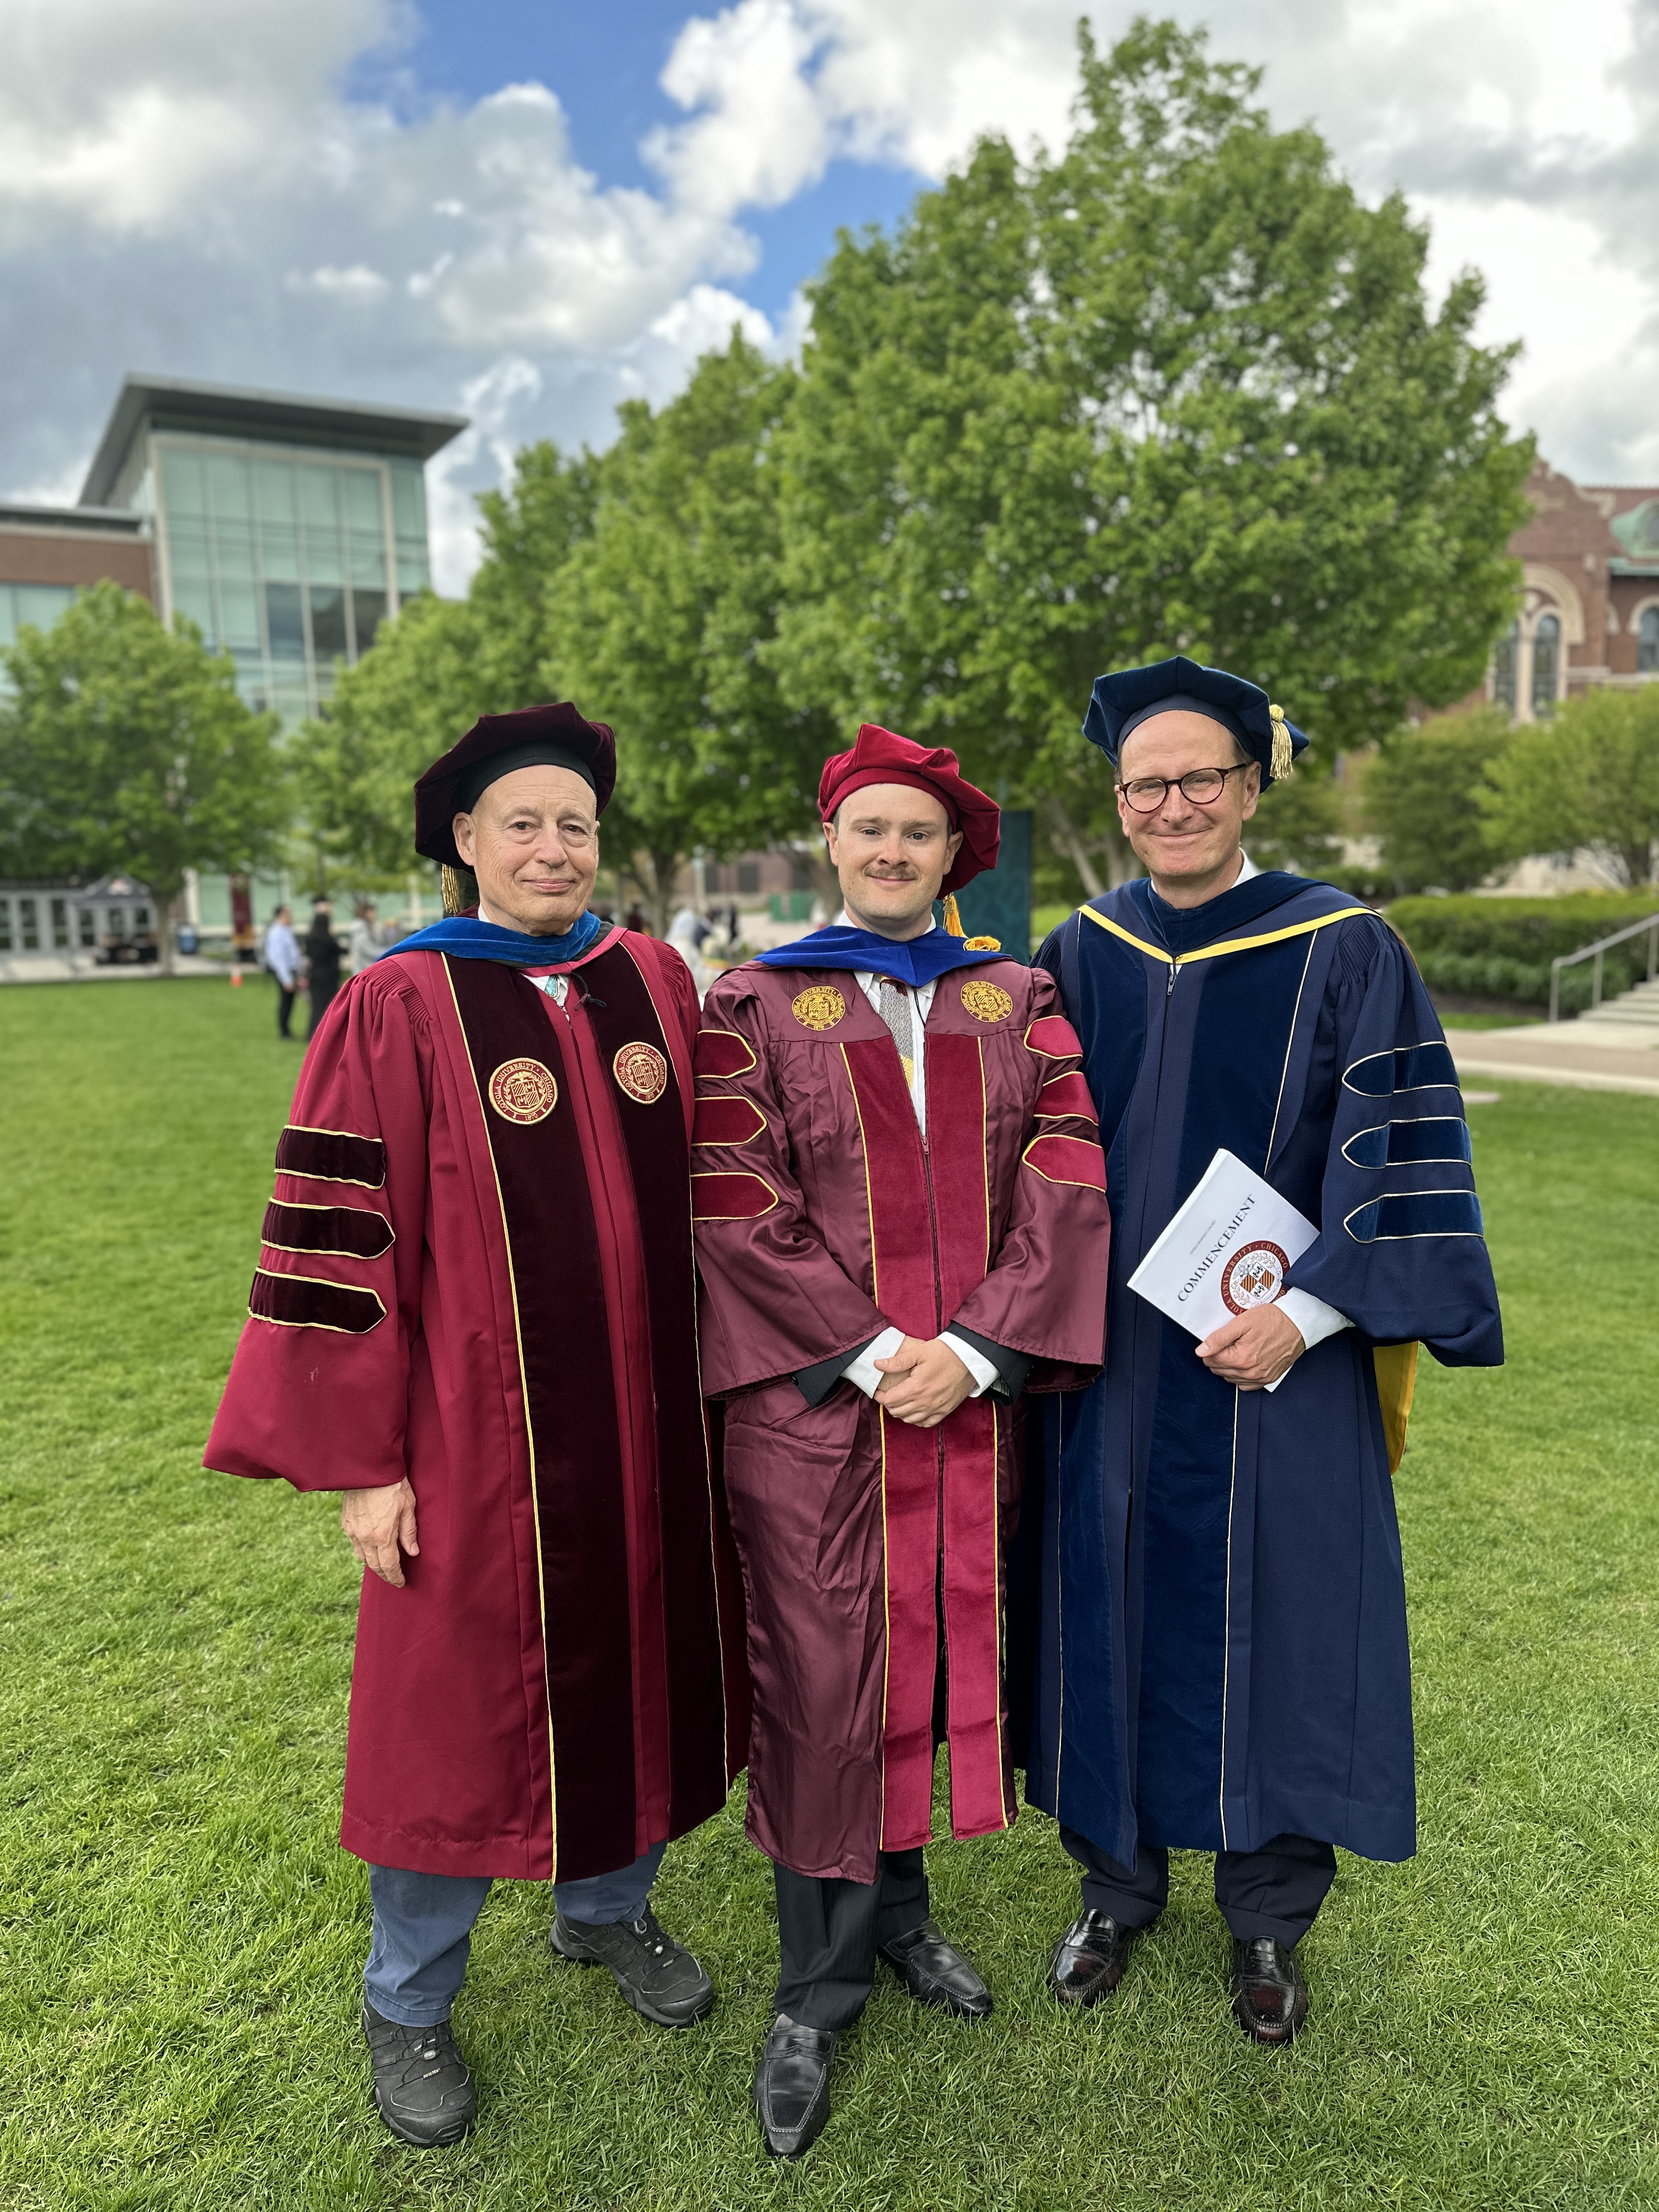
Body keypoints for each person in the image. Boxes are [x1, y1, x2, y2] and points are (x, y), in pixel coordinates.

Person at [205, 702, 748, 2148]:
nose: (555, 846)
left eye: (575, 823)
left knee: (638, 1667)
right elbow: (341, 1240)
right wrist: (368, 1464)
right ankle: (409, 1995)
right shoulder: (398, 1002)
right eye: (525, 822)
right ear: (464, 843)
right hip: (476, 1444)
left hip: (648, 1437)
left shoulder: (652, 978)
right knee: (447, 1723)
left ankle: (606, 1914)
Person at [1019, 657, 1503, 2046]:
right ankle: (1116, 1886)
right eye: (1146, 784)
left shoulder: (1344, 943)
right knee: (1105, 1602)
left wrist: (1308, 1307)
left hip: (1273, 1360)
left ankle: (1272, 1919)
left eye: (1198, 779)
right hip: (1109, 1363)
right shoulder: (1077, 954)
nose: (1172, 804)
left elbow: (1403, 1150)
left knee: (1280, 1614)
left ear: (1248, 785)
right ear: (1120, 800)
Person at [692, 724, 1110, 2157]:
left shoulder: (1019, 998)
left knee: (930, 1644)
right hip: (820, 1406)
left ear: (952, 857)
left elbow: (1066, 1171)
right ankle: (816, 1984)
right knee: (822, 1672)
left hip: (967, 1405)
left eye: (915, 834)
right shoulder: (754, 1001)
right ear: (833, 842)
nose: (890, 851)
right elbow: (732, 1194)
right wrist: (877, 1353)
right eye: (868, 829)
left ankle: (905, 1918)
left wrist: (981, 1349)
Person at [303, 896, 345, 1039]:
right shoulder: (329, 940)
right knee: (328, 1006)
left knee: (316, 1006)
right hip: (329, 976)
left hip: (315, 975)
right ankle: (324, 1035)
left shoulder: (310, 939)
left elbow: (308, 955)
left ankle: (311, 1034)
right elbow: (340, 952)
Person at [262, 905, 300, 1040]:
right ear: (279, 916)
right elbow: (278, 958)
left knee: (290, 1002)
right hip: (285, 972)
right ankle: (284, 1032)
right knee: (285, 1001)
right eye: (287, 914)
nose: (290, 917)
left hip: (292, 971)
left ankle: (286, 1030)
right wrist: (286, 979)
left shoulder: (286, 931)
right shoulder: (276, 933)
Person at [347, 899, 379, 974]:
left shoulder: (368, 928)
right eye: (372, 912)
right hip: (363, 970)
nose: (375, 915)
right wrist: (386, 952)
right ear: (364, 913)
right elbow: (368, 950)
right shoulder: (360, 930)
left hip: (366, 969)